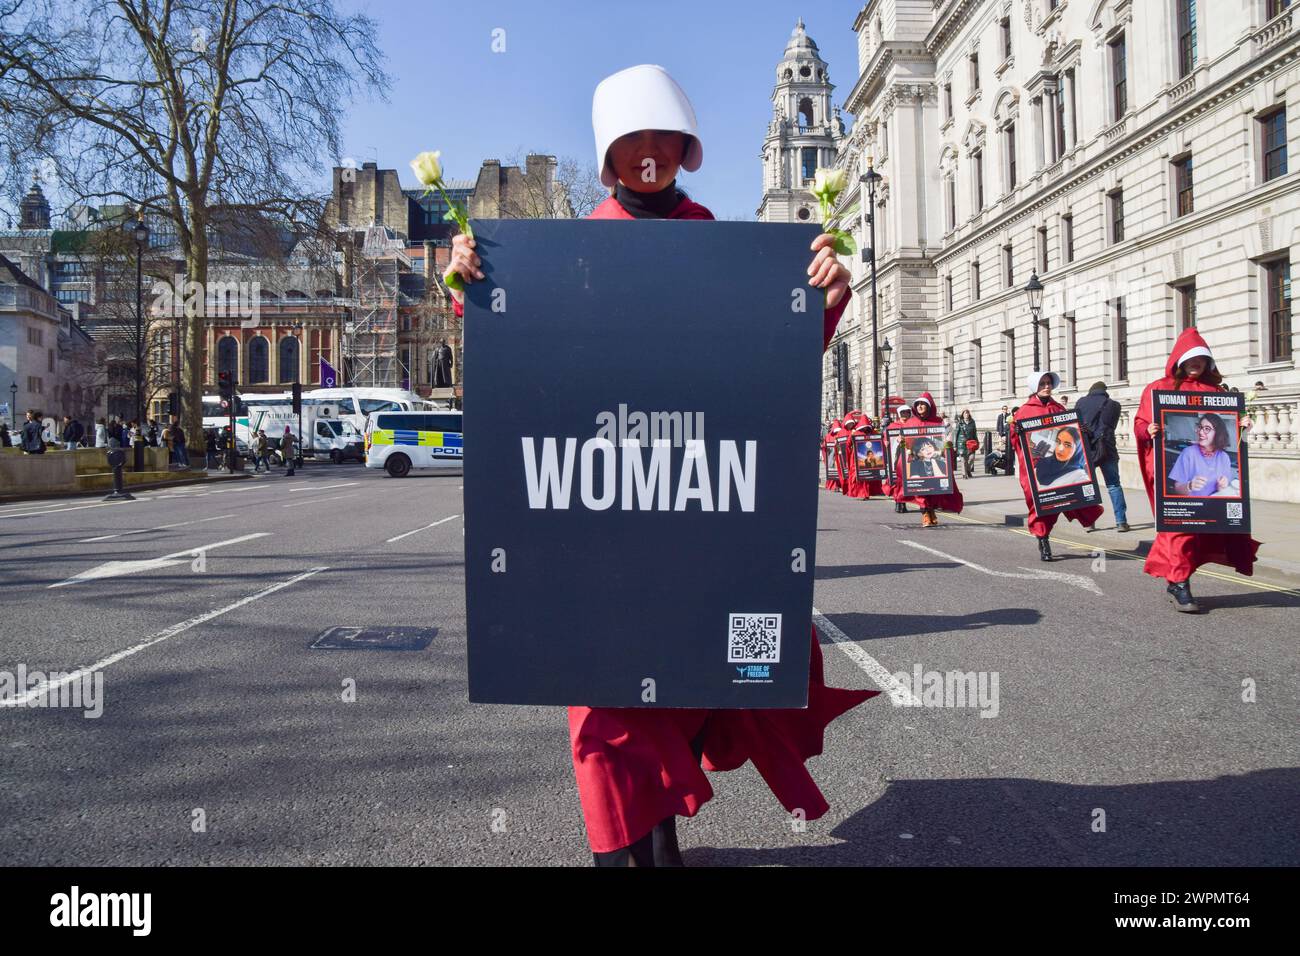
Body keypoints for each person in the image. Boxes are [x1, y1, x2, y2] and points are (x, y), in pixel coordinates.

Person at [445, 63, 877, 867]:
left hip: (690, 525)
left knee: (672, 695)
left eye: (664, 145)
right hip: (591, 525)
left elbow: (768, 378)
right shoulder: (558, 255)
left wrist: (824, 295)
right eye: (634, 147)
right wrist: (470, 283)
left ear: (684, 151)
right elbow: (522, 378)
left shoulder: (728, 247)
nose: (650, 160)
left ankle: (659, 837)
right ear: (612, 159)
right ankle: (628, 854)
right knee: (604, 716)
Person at [1133, 328, 1260, 612]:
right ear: (1180, 360)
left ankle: (1178, 578)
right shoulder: (1157, 387)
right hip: (1173, 471)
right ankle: (1179, 582)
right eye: (1191, 359)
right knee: (1179, 529)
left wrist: (1243, 423)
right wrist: (1147, 429)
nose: (1196, 364)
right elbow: (1140, 423)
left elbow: (1232, 422)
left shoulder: (1216, 391)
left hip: (1212, 473)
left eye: (1201, 359)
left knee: (1202, 529)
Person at [1011, 372, 1103, 561]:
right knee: (1040, 504)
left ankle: (1044, 535)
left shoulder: (1058, 408)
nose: (1047, 386)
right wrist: (1015, 431)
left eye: (1049, 383)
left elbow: (1071, 433)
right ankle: (1043, 539)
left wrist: (1083, 430)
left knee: (1059, 501)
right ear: (1035, 386)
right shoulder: (1024, 411)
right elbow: (1017, 442)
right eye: (1043, 383)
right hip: (1038, 467)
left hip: (1062, 464)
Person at [890, 392, 963, 527]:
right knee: (920, 489)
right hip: (917, 461)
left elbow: (945, 439)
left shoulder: (938, 422)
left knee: (934, 489)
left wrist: (948, 443)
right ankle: (924, 513)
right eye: (918, 405)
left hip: (935, 459)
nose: (920, 407)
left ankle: (931, 511)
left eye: (923, 404)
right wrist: (901, 441)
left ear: (929, 406)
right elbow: (904, 441)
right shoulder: (910, 422)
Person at [1075, 381, 1129, 532]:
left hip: (1087, 450)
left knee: (1088, 486)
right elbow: (1111, 426)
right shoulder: (1114, 405)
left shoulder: (1080, 402)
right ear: (1105, 391)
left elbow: (1076, 425)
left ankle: (1090, 522)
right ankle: (1121, 522)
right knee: (1113, 485)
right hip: (1107, 449)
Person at [1168, 414, 1237, 497]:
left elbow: (1222, 491)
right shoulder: (1188, 453)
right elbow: (1177, 489)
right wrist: (1189, 486)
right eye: (1200, 427)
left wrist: (1221, 487)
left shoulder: (1224, 457)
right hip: (1194, 506)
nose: (1200, 432)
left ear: (1218, 433)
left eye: (1207, 429)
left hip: (1213, 505)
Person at [954, 409, 978, 479]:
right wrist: (955, 445)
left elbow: (974, 433)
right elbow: (956, 434)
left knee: (972, 458)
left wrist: (977, 441)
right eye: (965, 413)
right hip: (961, 443)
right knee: (963, 460)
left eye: (967, 413)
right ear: (963, 415)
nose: (966, 415)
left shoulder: (972, 422)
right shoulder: (960, 423)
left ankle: (968, 470)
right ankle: (964, 474)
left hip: (971, 443)